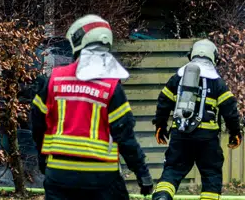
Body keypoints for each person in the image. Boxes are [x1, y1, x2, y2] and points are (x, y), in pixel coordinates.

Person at [30, 15, 155, 200]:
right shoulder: (111, 87)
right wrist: (142, 174)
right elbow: (125, 136)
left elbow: (37, 122)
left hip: (59, 175)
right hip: (101, 179)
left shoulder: (55, 80)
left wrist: (42, 158)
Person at [152, 39, 241, 200]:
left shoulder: (177, 78)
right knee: (211, 174)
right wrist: (235, 133)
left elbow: (163, 102)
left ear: (191, 55)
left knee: (172, 169)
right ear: (214, 58)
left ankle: (163, 196)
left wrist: (160, 126)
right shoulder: (217, 83)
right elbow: (230, 110)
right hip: (207, 140)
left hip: (180, 135)